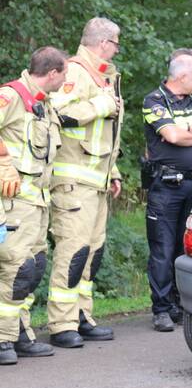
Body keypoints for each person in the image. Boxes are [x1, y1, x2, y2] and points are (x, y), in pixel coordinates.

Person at [47, 17, 123, 348]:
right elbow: (57, 112)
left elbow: (105, 132)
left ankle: (81, 315)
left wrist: (114, 171)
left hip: (97, 181)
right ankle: (61, 323)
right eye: (116, 43)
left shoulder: (105, 74)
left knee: (92, 253)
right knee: (73, 251)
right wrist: (101, 105)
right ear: (104, 42)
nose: (118, 49)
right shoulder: (75, 71)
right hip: (73, 179)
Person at [142, 53, 192, 331]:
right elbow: (172, 137)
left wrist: (186, 127)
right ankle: (162, 308)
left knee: (184, 248)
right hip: (166, 188)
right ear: (182, 76)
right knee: (162, 249)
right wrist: (190, 131)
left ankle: (179, 302)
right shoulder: (154, 101)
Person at [0, 47, 67, 364]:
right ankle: (2, 338)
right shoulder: (12, 96)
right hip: (15, 203)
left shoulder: (44, 105)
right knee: (16, 268)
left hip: (38, 202)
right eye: (64, 74)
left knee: (34, 267)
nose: (66, 80)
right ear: (52, 73)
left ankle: (20, 333)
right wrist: (2, 164)